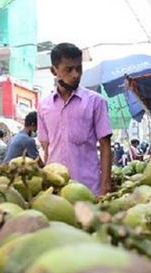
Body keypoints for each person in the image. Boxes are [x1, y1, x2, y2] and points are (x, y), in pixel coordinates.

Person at [37, 43, 113, 195]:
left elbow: (105, 146)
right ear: (54, 70)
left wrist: (105, 186)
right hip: (56, 192)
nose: (76, 74)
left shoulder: (95, 102)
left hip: (88, 190)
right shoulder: (44, 105)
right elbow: (46, 148)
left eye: (79, 68)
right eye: (69, 69)